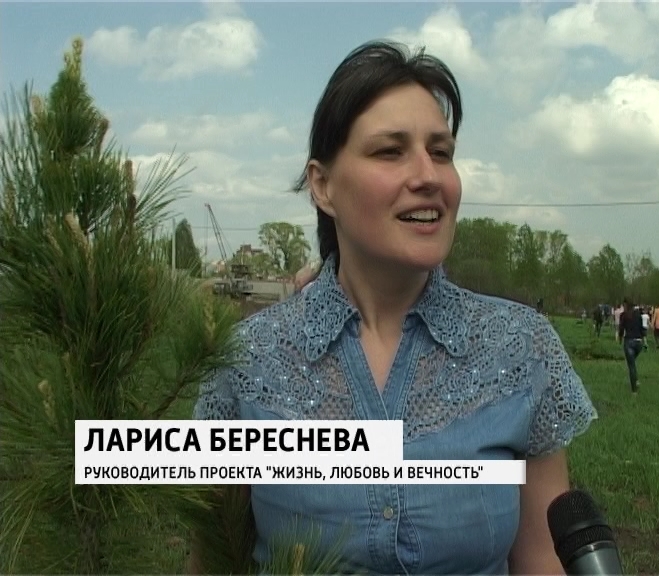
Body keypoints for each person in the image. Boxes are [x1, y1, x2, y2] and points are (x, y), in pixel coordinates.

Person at [190, 40, 597, 575]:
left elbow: (543, 562)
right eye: (390, 151)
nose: (428, 175)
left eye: (441, 152)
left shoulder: (521, 346)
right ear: (322, 185)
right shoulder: (246, 359)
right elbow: (213, 559)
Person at [618, 297, 645, 395]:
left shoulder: (624, 315)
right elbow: (642, 328)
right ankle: (636, 380)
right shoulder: (638, 314)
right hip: (639, 342)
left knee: (631, 366)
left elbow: (621, 328)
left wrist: (620, 338)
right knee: (632, 362)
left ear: (625, 305)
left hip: (629, 341)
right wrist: (644, 339)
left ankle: (634, 390)